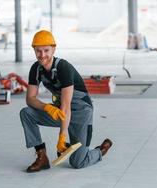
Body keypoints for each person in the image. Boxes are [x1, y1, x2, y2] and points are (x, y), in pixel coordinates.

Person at [19, 30, 113, 173]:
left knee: (78, 162)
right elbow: (30, 99)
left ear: (53, 49)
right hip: (60, 111)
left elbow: (66, 105)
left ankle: (99, 151)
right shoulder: (36, 69)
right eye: (38, 51)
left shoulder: (63, 67)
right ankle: (41, 157)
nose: (42, 55)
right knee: (26, 113)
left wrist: (61, 137)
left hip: (80, 114)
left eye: (46, 50)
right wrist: (47, 108)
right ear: (34, 50)